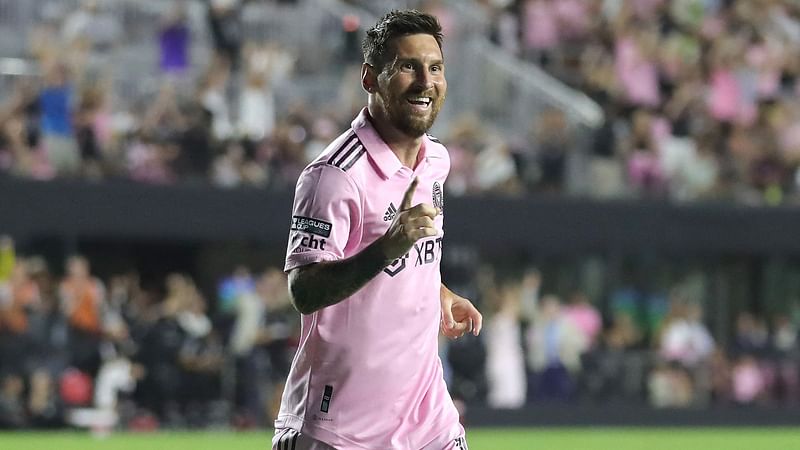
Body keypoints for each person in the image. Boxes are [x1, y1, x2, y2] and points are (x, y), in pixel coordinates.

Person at [273, 10, 482, 450]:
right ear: (371, 78)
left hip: (428, 420)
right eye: (408, 66)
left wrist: (440, 293)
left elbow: (415, 258)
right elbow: (304, 291)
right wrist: (387, 247)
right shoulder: (334, 176)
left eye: (435, 67)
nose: (426, 81)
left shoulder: (436, 161)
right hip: (340, 427)